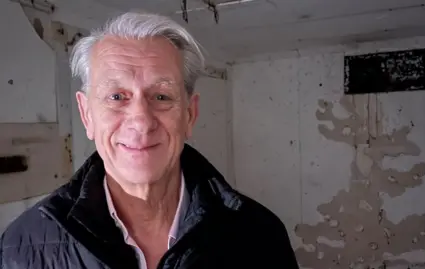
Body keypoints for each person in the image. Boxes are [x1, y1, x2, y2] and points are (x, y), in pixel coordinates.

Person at [0, 11, 299, 269]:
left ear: (189, 115)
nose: (141, 120)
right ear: (86, 114)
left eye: (161, 96)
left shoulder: (259, 235)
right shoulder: (21, 246)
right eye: (117, 97)